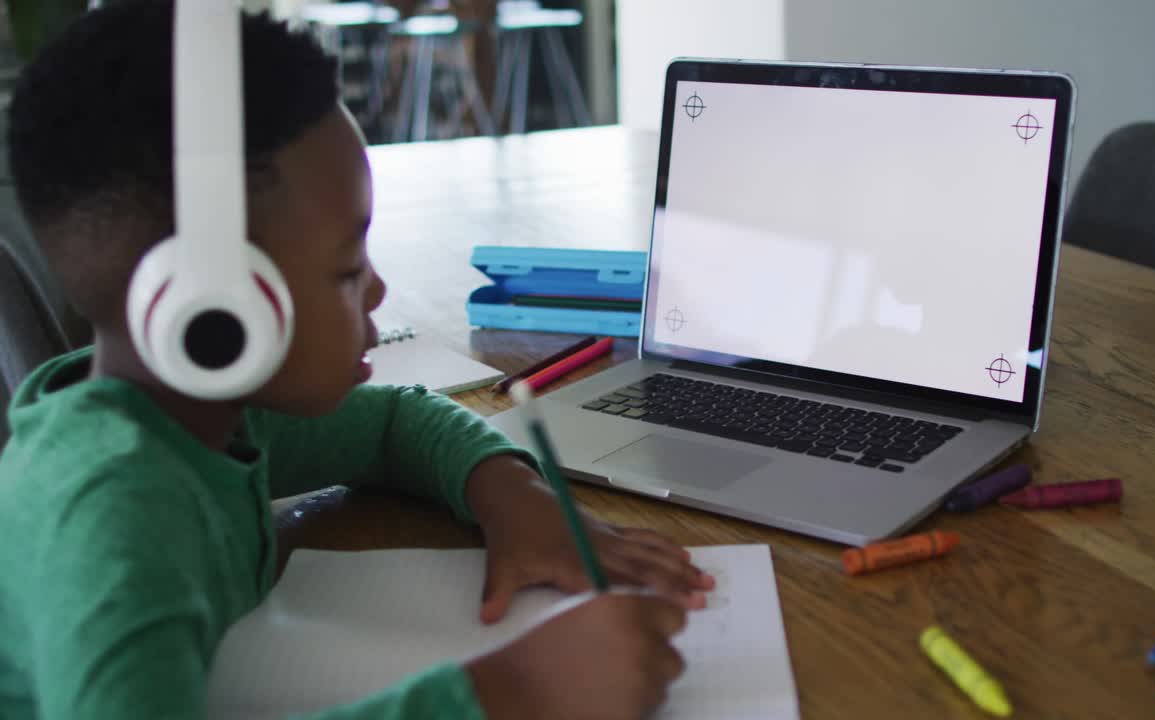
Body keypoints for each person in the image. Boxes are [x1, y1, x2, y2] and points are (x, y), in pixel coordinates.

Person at [0, 2, 713, 718]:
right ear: (214, 312)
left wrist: (515, 499)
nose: (376, 287)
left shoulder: (202, 418)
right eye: (346, 269)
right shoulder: (115, 520)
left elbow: (392, 422)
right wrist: (510, 694)